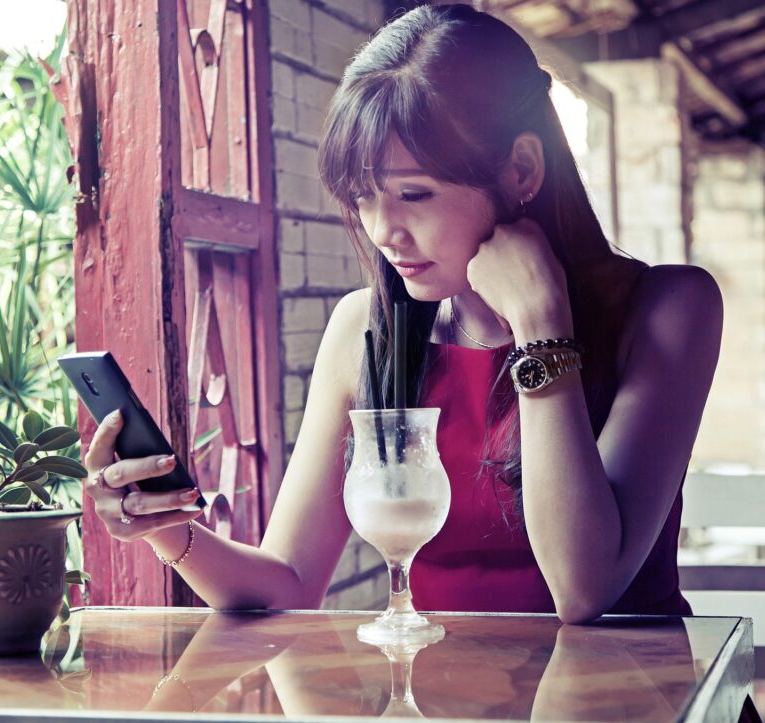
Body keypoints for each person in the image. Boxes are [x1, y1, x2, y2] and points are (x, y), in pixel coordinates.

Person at [82, 3, 722, 623]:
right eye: (364, 198)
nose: (385, 231)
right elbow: (289, 583)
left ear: (522, 167)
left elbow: (585, 591)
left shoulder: (669, 308)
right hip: (437, 701)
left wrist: (541, 326)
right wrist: (166, 530)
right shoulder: (365, 328)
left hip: (634, 698)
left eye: (415, 194)